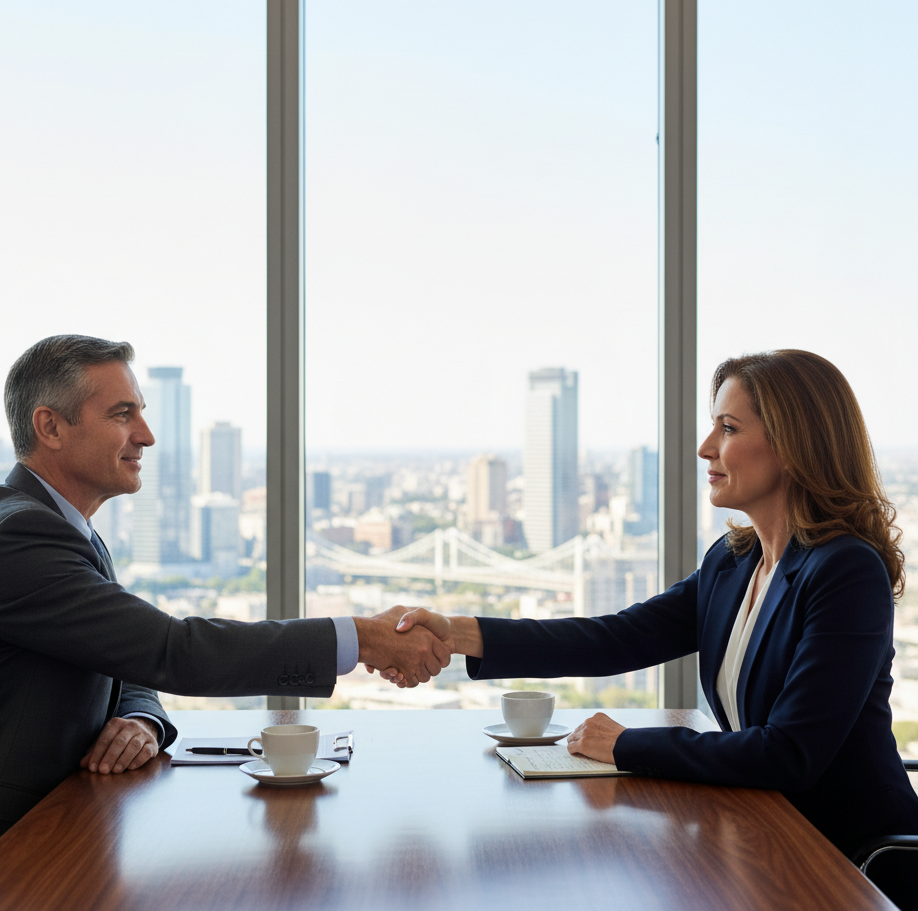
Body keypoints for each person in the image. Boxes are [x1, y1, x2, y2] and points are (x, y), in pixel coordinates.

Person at [0, 335, 450, 910]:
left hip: (50, 837)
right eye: (121, 414)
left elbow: (129, 660)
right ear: (51, 427)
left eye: (141, 413)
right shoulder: (17, 541)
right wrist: (358, 638)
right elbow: (173, 650)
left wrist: (142, 719)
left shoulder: (53, 529)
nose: (146, 435)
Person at [393, 350, 918, 909]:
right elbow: (616, 637)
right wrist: (456, 633)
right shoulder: (731, 563)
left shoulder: (845, 571)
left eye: (729, 428)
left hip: (853, 864)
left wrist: (625, 744)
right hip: (765, 841)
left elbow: (789, 754)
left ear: (792, 446)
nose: (705, 447)